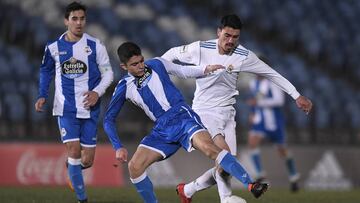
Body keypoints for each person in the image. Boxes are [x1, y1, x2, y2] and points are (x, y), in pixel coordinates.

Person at [161, 14, 312, 203]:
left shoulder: (244, 56)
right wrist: (156, 72)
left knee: (226, 166)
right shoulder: (200, 48)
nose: (230, 41)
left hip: (228, 114)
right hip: (204, 112)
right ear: (219, 32)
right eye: (227, 35)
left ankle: (188, 190)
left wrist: (296, 95)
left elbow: (271, 74)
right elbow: (171, 55)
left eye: (235, 37)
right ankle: (227, 199)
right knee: (224, 156)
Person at [103, 42, 269, 203]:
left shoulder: (157, 64)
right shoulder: (124, 87)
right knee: (134, 167)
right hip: (162, 128)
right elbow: (108, 119)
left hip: (182, 116)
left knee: (210, 149)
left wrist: (205, 69)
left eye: (141, 61)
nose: (140, 66)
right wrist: (118, 147)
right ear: (123, 67)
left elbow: (181, 70)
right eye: (134, 64)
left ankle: (251, 184)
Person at [34, 2, 114, 202]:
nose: (79, 23)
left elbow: (109, 73)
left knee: (86, 160)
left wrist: (96, 92)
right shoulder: (53, 48)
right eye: (74, 19)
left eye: (82, 18)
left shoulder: (96, 45)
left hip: (90, 108)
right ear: (66, 21)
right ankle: (82, 199)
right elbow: (45, 70)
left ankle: (72, 168)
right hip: (66, 108)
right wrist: (42, 94)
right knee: (74, 150)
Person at [247, 73, 300, 192]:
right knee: (252, 142)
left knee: (282, 150)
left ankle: (294, 177)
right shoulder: (253, 83)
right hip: (260, 120)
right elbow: (255, 100)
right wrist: (252, 113)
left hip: (274, 121)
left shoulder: (274, 83)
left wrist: (260, 103)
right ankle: (261, 175)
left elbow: (279, 101)